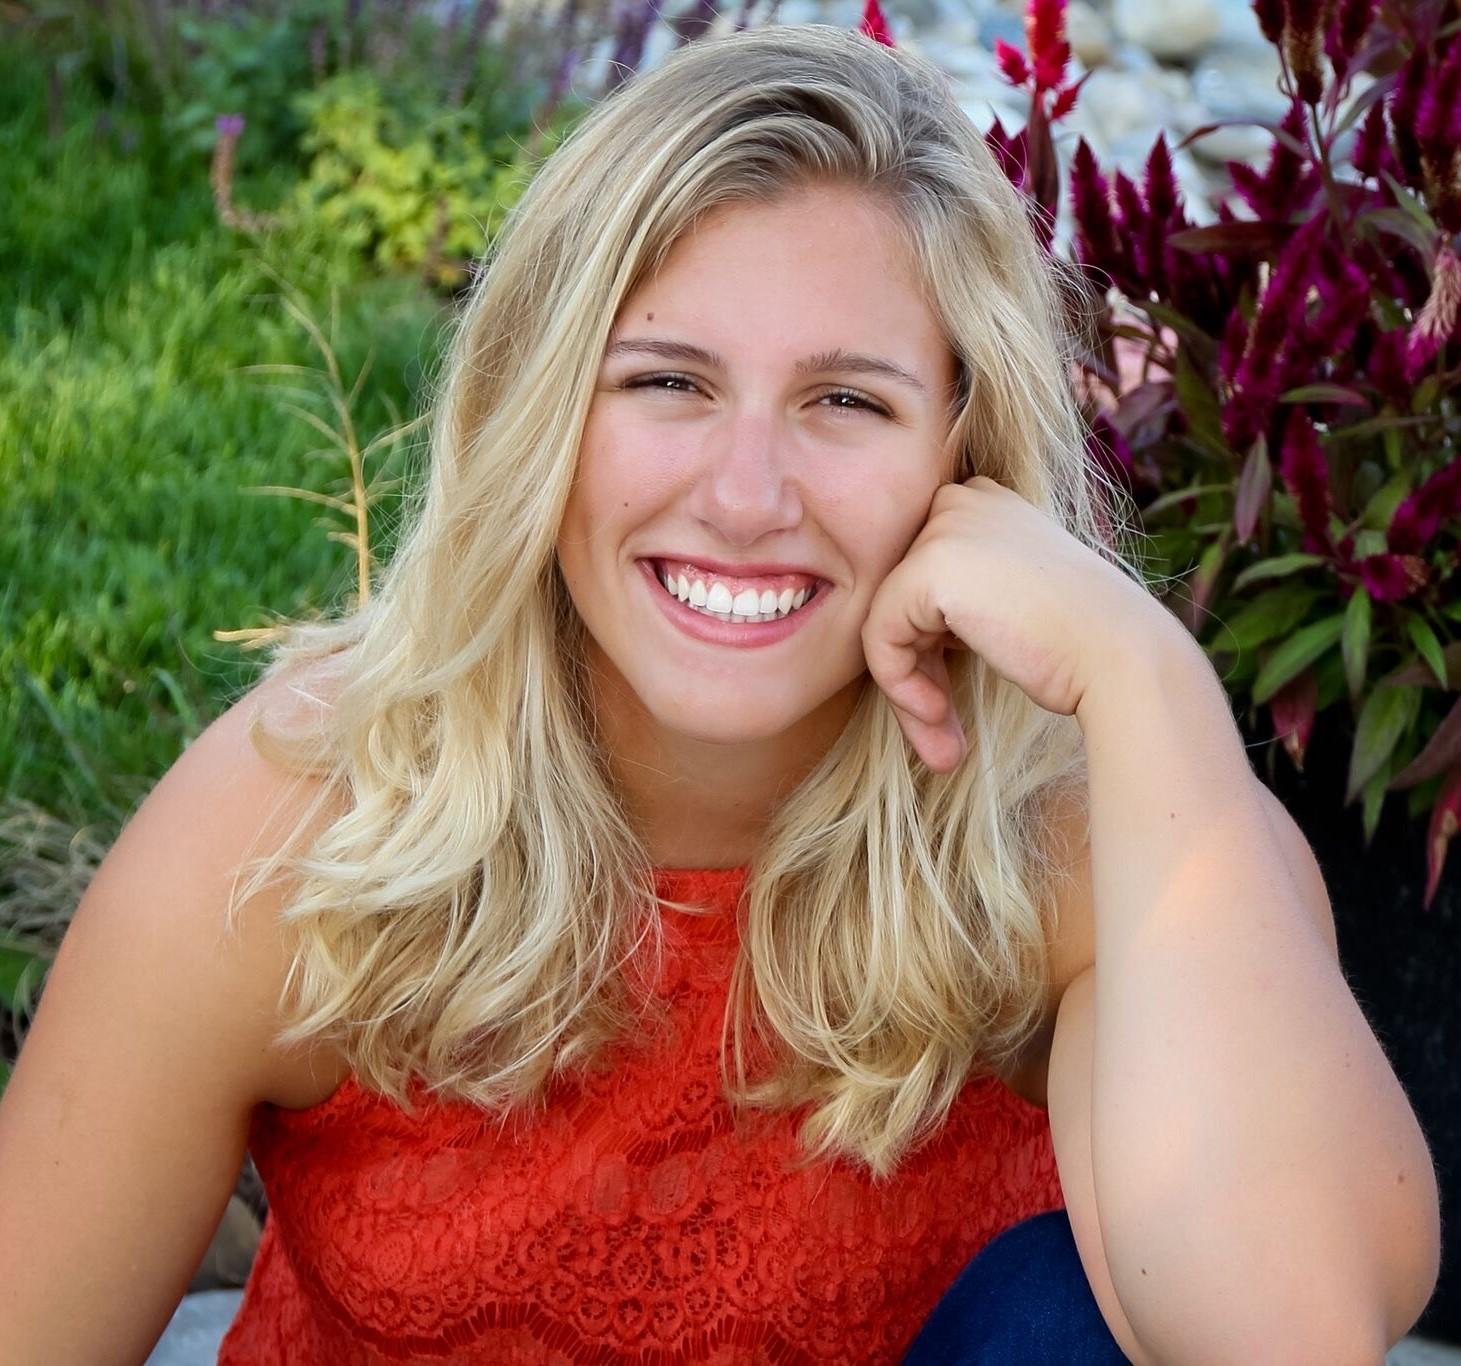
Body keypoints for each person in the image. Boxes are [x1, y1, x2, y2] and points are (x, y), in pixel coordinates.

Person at [0, 21, 1436, 1366]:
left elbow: (1286, 1330)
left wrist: (1142, 679)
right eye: (667, 383)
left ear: (966, 452)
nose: (746, 496)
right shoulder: (309, 813)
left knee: (1057, 1318)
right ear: (539, 415)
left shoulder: (1069, 823)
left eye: (846, 401)